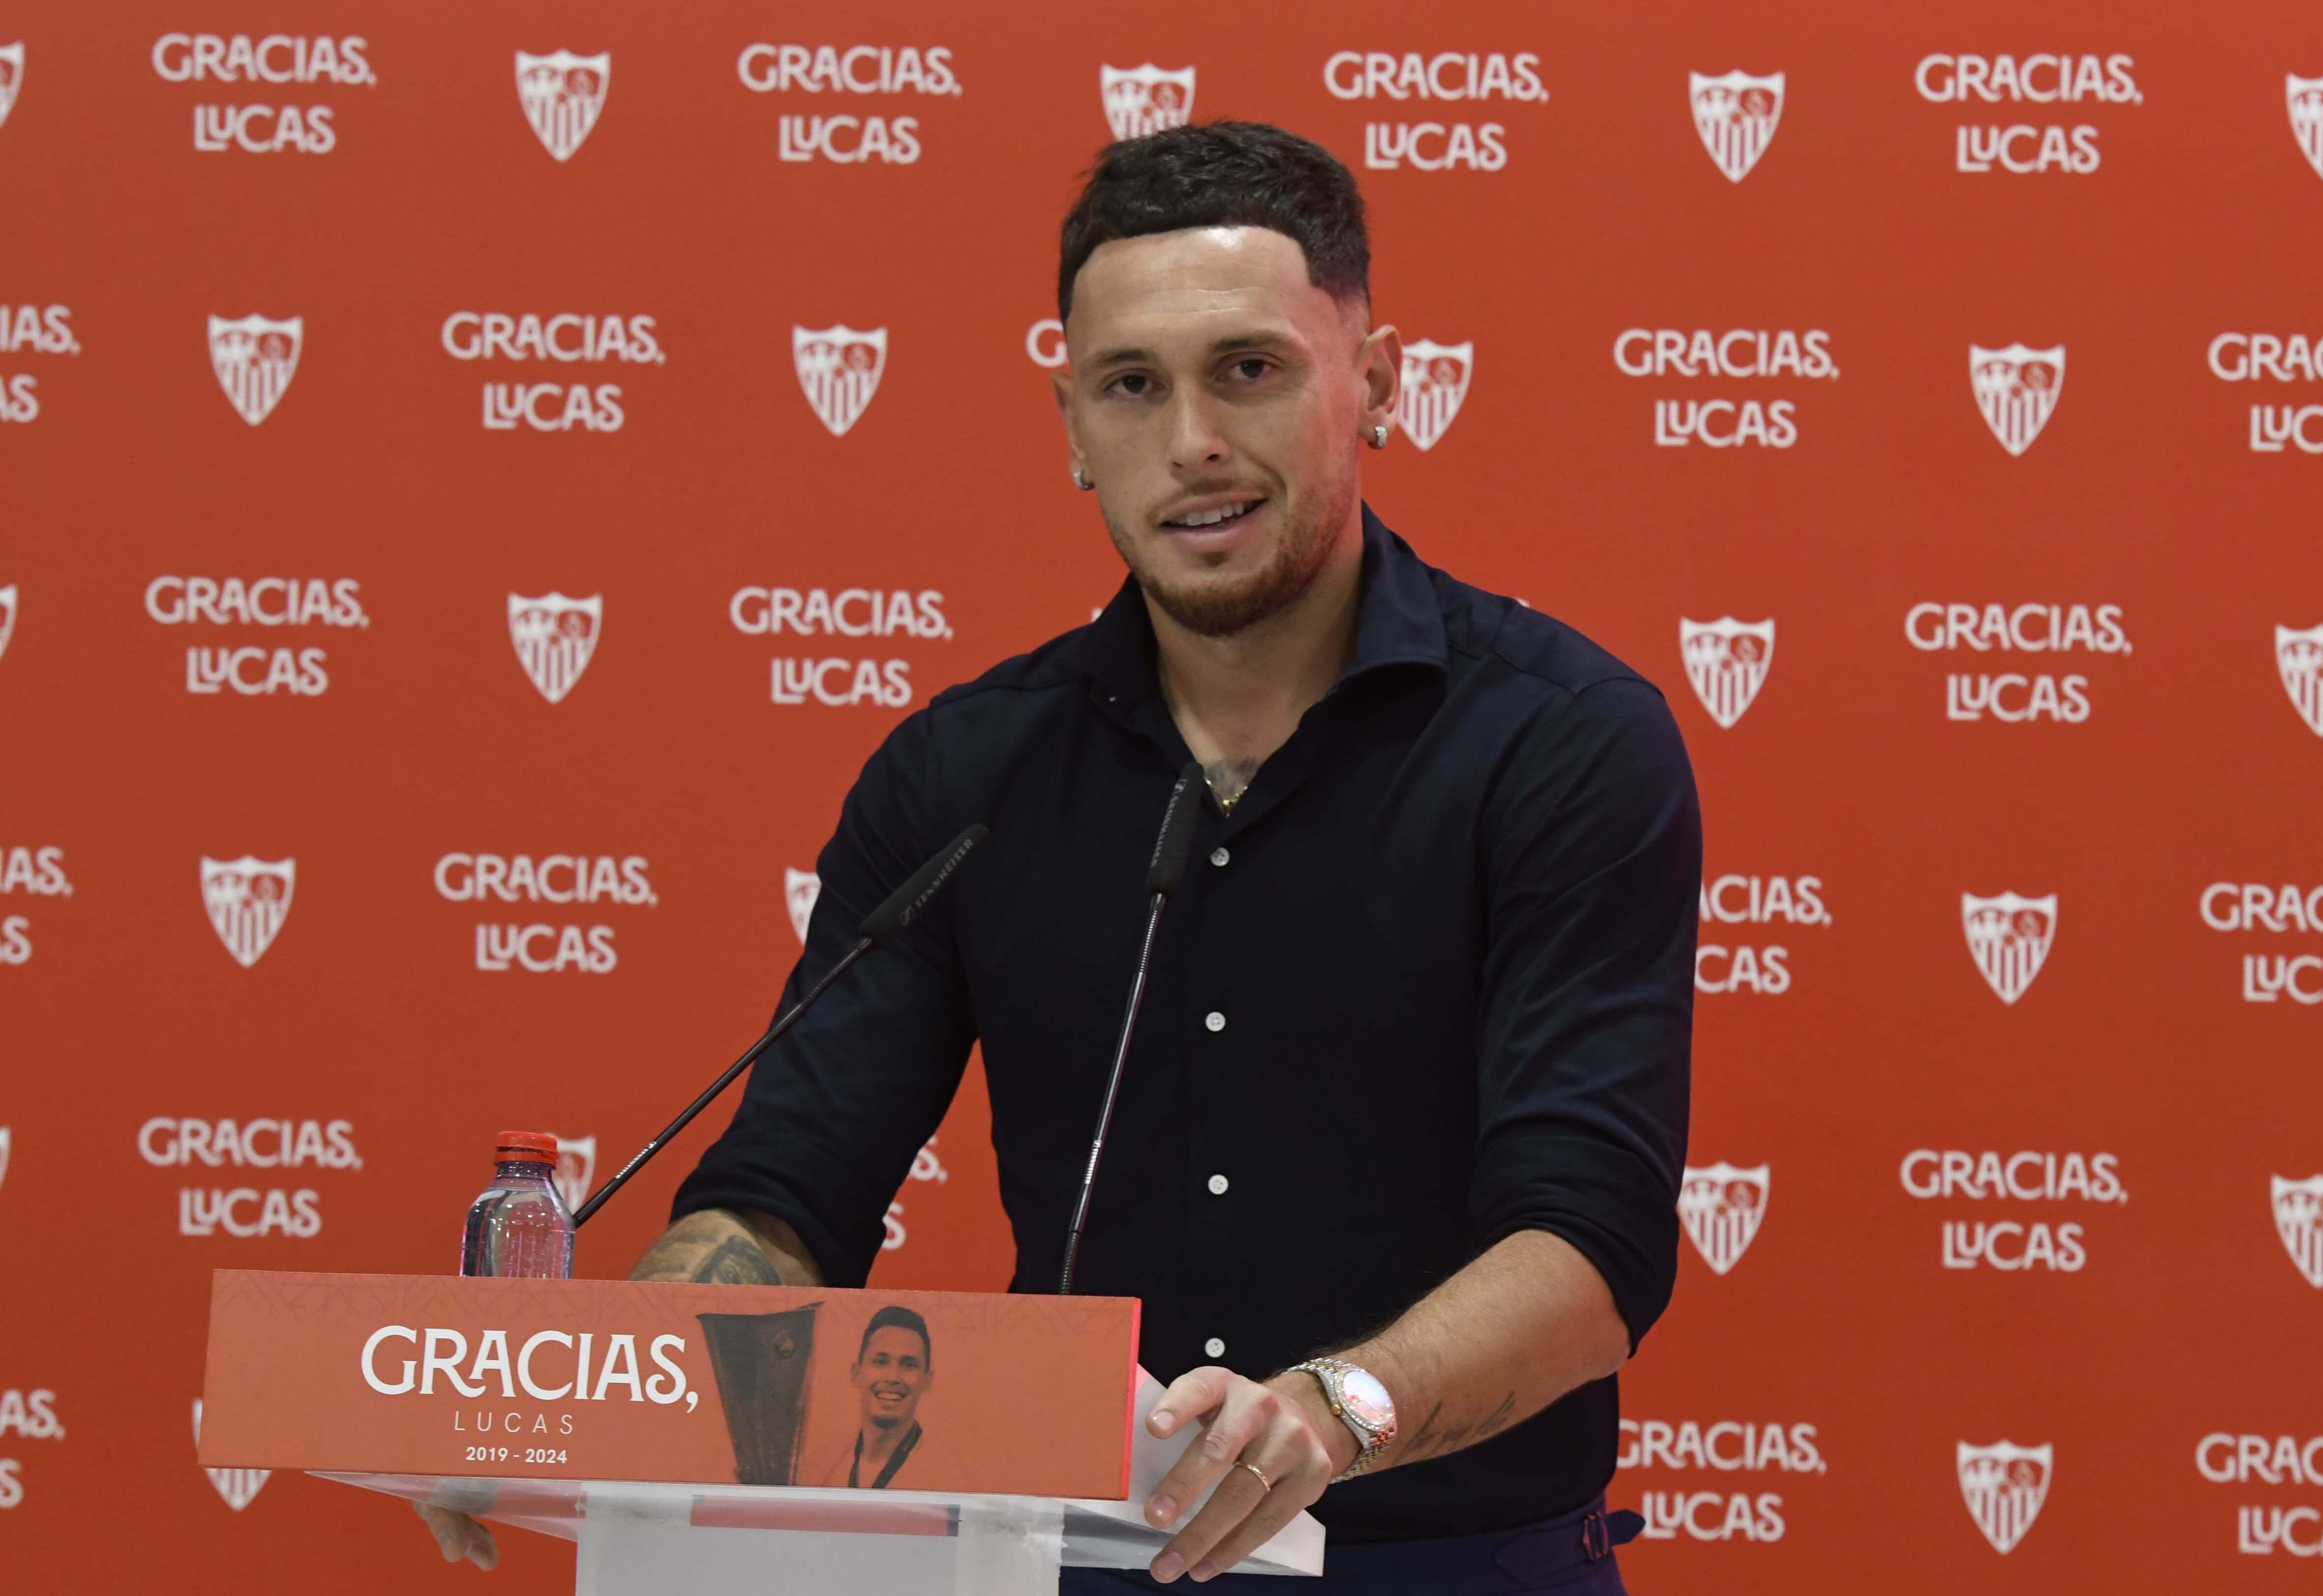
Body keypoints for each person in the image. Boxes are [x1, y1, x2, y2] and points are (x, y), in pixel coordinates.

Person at [417, 120, 1698, 1594]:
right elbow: (788, 1192)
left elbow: (1586, 1240)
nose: (1192, 443)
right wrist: (585, 1406)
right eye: (1131, 387)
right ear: (1070, 428)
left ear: (1378, 385)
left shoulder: (1559, 743)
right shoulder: (964, 774)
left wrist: (1333, 1411)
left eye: (1248, 370)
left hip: (1451, 1562)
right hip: (1073, 1559)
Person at [811, 1305, 933, 1490]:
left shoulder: (948, 1475)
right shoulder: (823, 1470)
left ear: (927, 1380)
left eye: (909, 1365)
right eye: (880, 1362)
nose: (893, 1377)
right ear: (856, 1373)